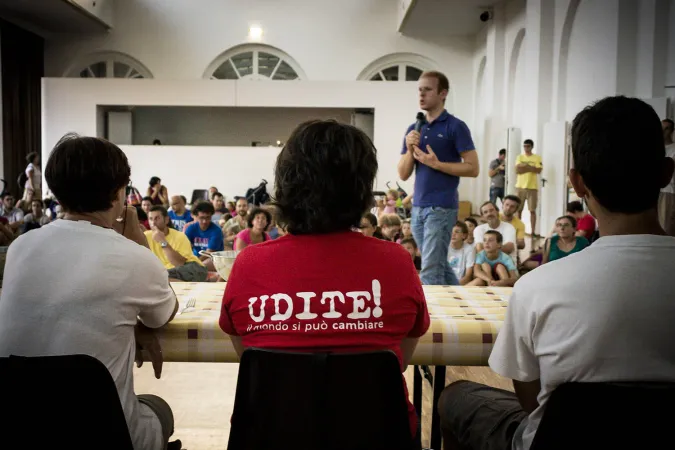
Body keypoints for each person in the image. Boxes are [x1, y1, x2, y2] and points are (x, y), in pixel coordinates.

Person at [437, 96, 675, 450]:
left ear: (577, 184)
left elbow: (532, 401)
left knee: (455, 396)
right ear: (667, 173)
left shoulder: (538, 287)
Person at [219, 120, 430, 442]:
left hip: (270, 438)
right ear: (362, 188)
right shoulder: (397, 262)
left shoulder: (249, 263)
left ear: (285, 185)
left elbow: (250, 356)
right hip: (379, 437)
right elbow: (399, 360)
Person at [0, 135, 181, 450]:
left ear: (56, 191)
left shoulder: (20, 248)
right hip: (105, 433)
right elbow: (163, 314)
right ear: (119, 193)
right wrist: (137, 240)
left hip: (20, 427)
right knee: (159, 408)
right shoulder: (134, 257)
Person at [398, 70, 479, 285]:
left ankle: (430, 317)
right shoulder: (413, 128)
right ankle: (461, 304)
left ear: (443, 93)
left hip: (441, 207)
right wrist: (409, 148)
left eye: (427, 90)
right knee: (438, 266)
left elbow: (473, 168)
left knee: (430, 270)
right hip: (418, 207)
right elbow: (403, 174)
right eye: (419, 90)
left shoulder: (455, 126)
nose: (421, 95)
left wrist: (436, 164)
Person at [146, 206, 208, 282]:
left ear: (166, 220)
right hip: (166, 272)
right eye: (151, 219)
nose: (153, 223)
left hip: (190, 267)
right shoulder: (145, 236)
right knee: (154, 277)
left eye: (157, 218)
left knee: (159, 277)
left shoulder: (180, 236)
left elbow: (179, 263)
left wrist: (163, 242)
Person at [515, 139, 542, 240]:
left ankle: (533, 232)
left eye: (528, 146)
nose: (526, 148)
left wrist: (525, 166)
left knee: (532, 210)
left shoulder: (537, 157)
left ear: (531, 147)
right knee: (518, 210)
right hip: (520, 187)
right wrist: (530, 167)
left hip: (532, 188)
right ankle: (518, 231)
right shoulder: (520, 157)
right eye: (524, 146)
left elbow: (538, 170)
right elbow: (517, 169)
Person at [659, 118, 675, 235]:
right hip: (656, 191)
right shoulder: (657, 148)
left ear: (671, 131)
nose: (663, 131)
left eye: (666, 128)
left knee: (666, 227)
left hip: (669, 192)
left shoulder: (674, 150)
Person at [447, 221, 475, 285]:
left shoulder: (470, 249)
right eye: (451, 231)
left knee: (478, 281)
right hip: (444, 282)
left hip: (461, 283)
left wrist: (454, 286)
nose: (453, 234)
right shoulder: (444, 246)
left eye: (457, 232)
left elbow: (468, 276)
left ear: (464, 235)